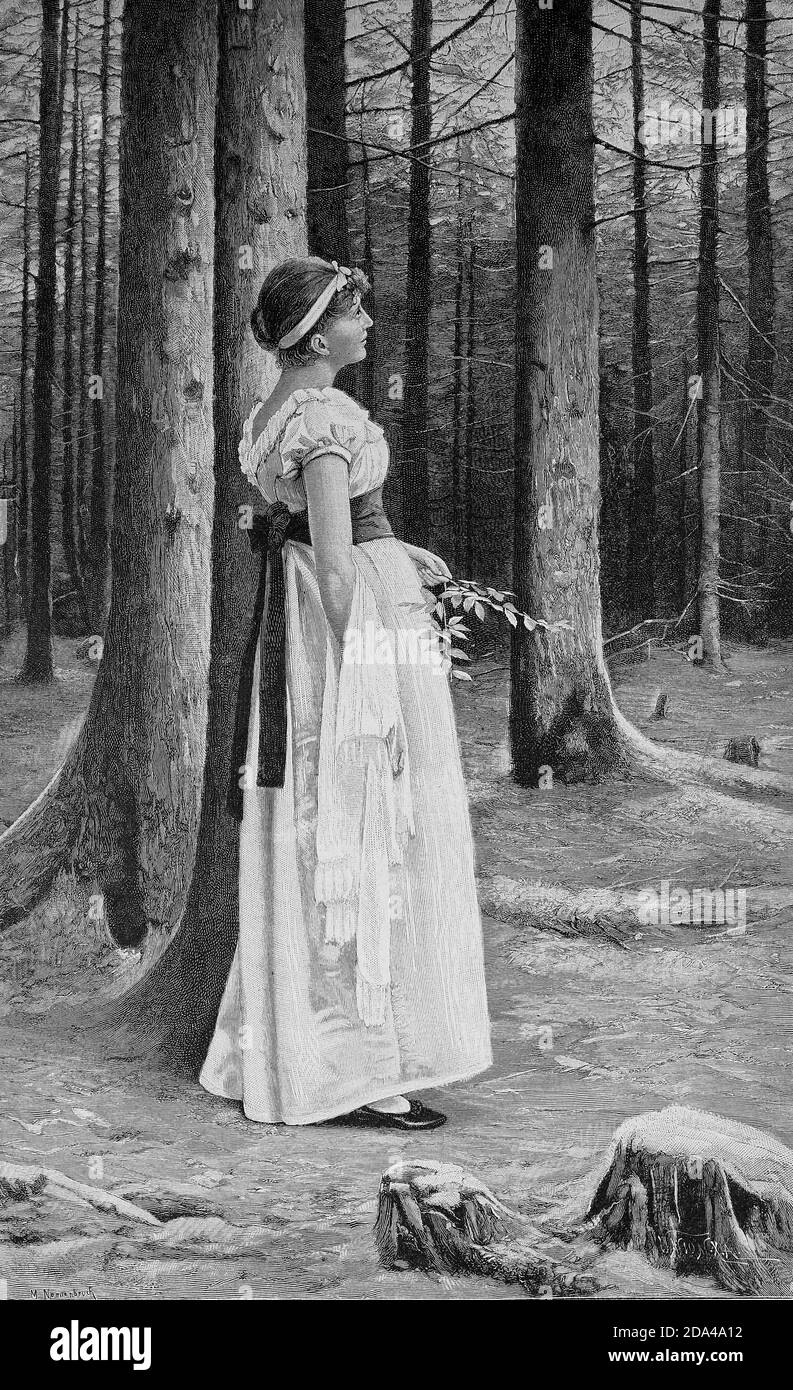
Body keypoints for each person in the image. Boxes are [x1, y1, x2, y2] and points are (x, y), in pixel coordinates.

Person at [199, 255, 492, 1130]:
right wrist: (369, 691)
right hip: (341, 635)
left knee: (337, 823)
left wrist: (404, 553)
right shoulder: (322, 414)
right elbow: (332, 566)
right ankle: (354, 1069)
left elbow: (307, 529)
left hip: (328, 606)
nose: (367, 327)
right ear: (318, 334)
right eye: (355, 314)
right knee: (361, 814)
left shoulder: (272, 410)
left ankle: (322, 1045)